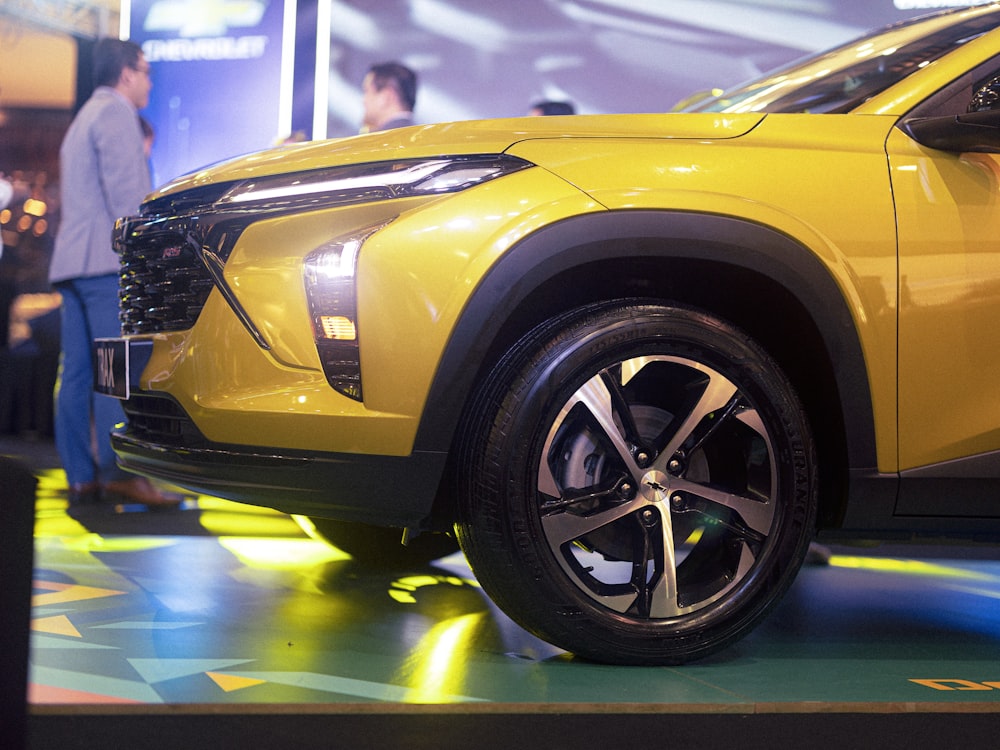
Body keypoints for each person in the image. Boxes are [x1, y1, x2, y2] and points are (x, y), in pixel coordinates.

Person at [48, 38, 179, 508]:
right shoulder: (116, 114)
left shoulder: (85, 115)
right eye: (145, 71)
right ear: (126, 72)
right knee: (112, 374)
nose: (148, 80)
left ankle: (81, 476)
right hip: (104, 264)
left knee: (78, 373)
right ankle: (117, 473)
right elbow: (130, 202)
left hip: (72, 264)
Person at [361, 61, 418, 132]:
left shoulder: (378, 141)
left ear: (387, 97)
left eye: (367, 91)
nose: (364, 101)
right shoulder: (425, 136)